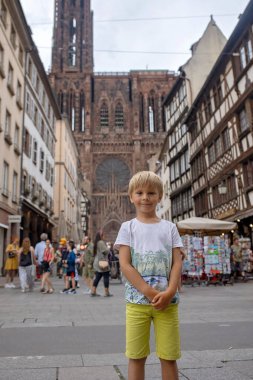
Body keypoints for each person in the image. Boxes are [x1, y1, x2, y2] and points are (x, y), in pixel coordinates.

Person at [114, 171, 183, 380]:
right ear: (131, 196)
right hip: (137, 301)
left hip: (168, 301)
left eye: (151, 193)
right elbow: (125, 265)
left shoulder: (170, 228)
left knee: (169, 356)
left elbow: (177, 261)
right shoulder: (127, 227)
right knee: (136, 356)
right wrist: (149, 291)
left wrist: (170, 291)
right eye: (140, 193)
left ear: (159, 196)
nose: (145, 197)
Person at [91, 231, 112, 297]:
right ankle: (106, 292)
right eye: (103, 235)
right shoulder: (101, 242)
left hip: (98, 262)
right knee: (106, 276)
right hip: (102, 262)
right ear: (101, 236)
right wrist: (109, 248)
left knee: (98, 276)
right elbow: (105, 251)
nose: (104, 236)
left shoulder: (97, 242)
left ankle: (93, 291)